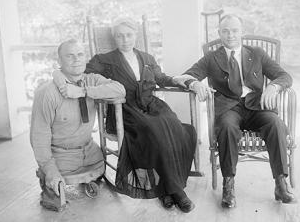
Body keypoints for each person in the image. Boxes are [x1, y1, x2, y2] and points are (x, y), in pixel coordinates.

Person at [52, 18, 197, 213]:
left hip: (151, 105)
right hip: (125, 108)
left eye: (129, 35)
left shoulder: (147, 58)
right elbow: (79, 73)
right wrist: (58, 76)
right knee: (155, 131)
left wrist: (181, 80)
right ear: (114, 38)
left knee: (177, 128)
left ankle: (163, 189)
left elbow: (161, 78)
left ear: (135, 36)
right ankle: (176, 191)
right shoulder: (104, 59)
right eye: (119, 36)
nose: (125, 39)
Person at [176, 14, 296, 208]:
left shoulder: (256, 53)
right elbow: (184, 76)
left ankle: (281, 184)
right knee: (226, 127)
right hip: (229, 108)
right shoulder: (212, 58)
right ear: (219, 33)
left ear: (242, 32)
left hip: (257, 107)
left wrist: (273, 87)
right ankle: (229, 185)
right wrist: (195, 83)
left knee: (276, 124)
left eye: (234, 30)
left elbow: (284, 76)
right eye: (225, 31)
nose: (230, 35)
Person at [30, 39, 125, 210]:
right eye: (69, 56)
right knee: (56, 195)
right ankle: (48, 179)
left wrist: (83, 91)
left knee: (98, 173)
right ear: (59, 61)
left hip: (90, 153)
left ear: (85, 58)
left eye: (80, 54)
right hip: (61, 156)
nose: (76, 59)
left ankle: (87, 177)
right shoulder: (46, 92)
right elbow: (39, 136)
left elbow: (120, 89)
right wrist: (50, 171)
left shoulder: (92, 80)